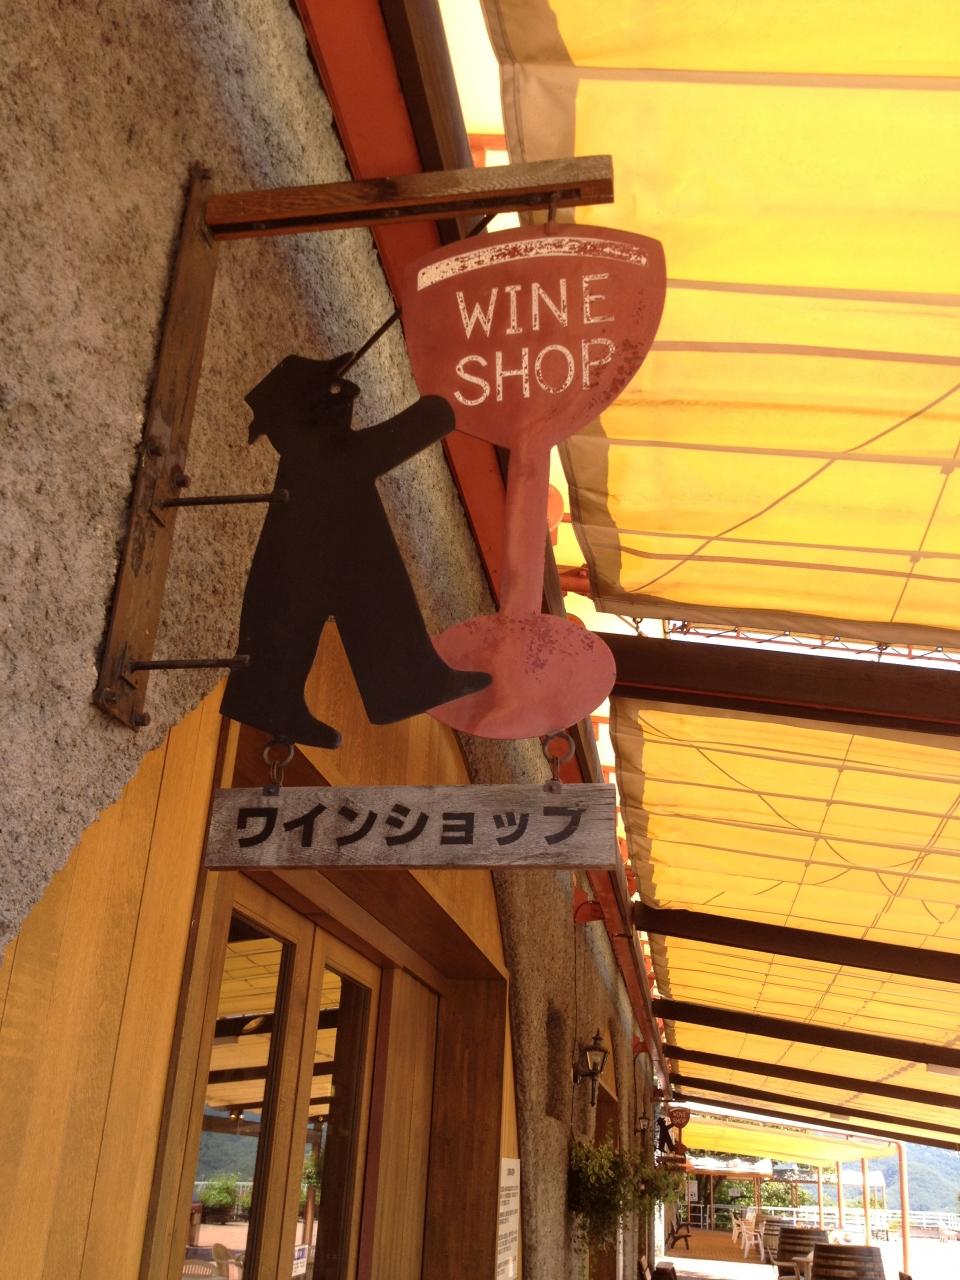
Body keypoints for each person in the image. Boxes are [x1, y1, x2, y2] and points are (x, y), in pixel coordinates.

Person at [220, 353, 490, 747]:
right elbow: (386, 444)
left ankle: (405, 681)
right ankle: (404, 682)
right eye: (336, 391)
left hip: (313, 562)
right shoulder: (318, 456)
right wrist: (440, 409)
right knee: (353, 587)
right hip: (302, 565)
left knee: (358, 586)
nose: (349, 398)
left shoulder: (315, 464)